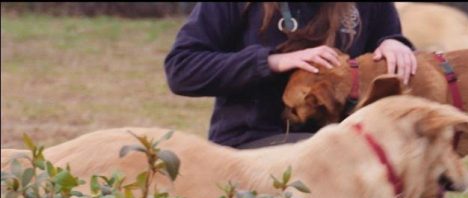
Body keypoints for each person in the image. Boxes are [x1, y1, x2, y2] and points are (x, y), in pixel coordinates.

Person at [164, 2, 417, 149]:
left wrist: (394, 43)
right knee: (336, 155)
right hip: (251, 145)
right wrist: (272, 61)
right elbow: (182, 69)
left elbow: (386, 37)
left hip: (343, 143)